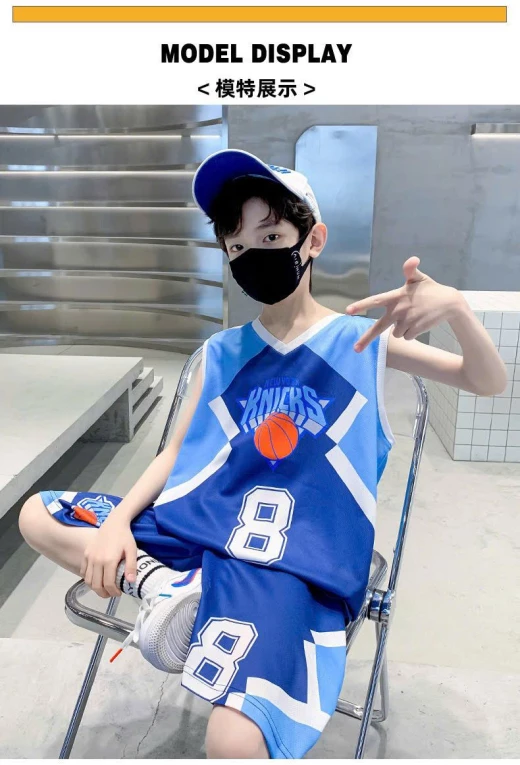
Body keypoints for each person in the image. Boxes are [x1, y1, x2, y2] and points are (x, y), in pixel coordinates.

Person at [18, 149, 507, 759]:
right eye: (238, 247)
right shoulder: (222, 351)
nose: (254, 256)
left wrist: (456, 308)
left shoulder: (358, 341)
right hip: (197, 528)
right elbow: (177, 452)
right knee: (39, 513)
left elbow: (486, 381)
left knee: (233, 743)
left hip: (292, 561)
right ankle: (165, 587)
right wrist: (118, 521)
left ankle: (186, 596)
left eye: (271, 237)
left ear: (313, 240)